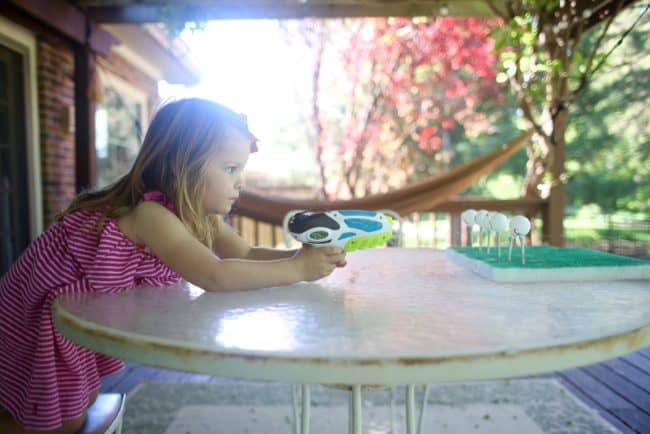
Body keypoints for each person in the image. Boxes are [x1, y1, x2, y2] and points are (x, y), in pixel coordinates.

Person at [0, 98, 346, 433]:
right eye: (230, 168)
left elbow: (246, 252)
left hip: (80, 314)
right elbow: (215, 274)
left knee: (82, 400)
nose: (240, 181)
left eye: (241, 169)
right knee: (58, 421)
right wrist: (299, 270)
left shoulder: (198, 216)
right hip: (39, 314)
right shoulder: (151, 214)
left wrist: (303, 257)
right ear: (184, 166)